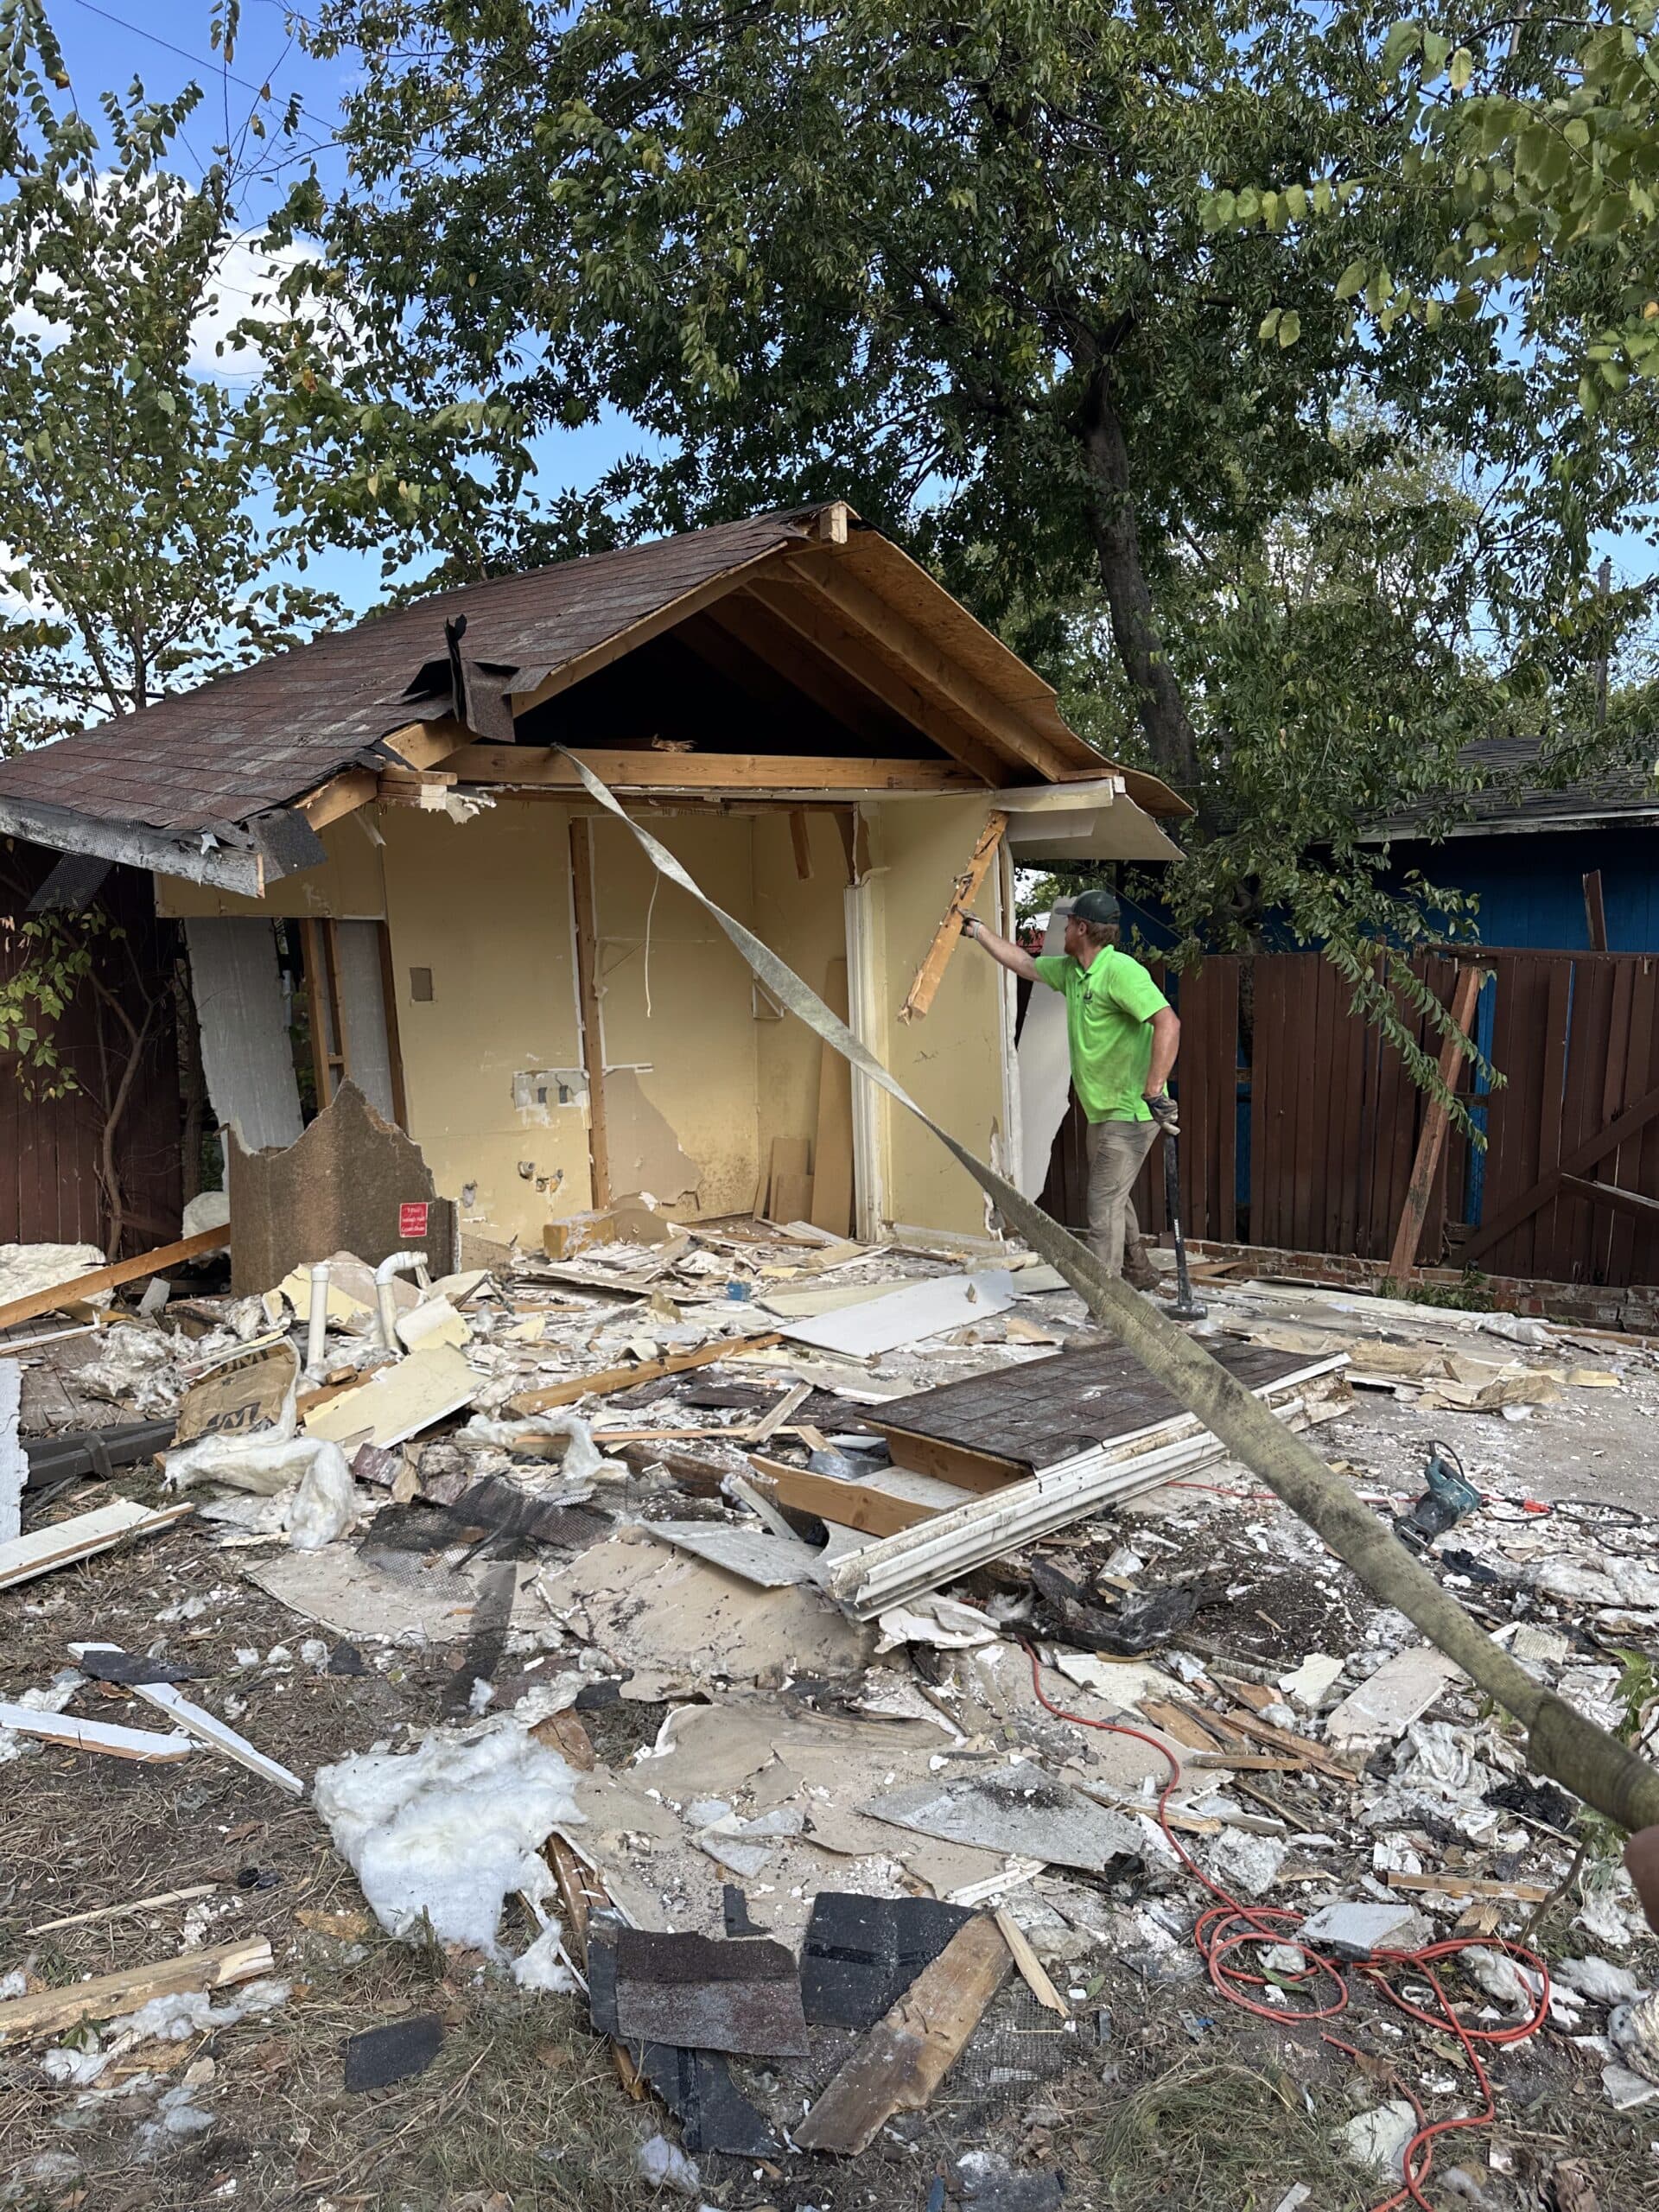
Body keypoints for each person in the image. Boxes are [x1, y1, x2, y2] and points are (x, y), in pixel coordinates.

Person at [959, 887, 1179, 1287]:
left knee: (1103, 1206)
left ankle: (1106, 1308)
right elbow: (1024, 963)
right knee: (1114, 1195)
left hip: (1130, 1112)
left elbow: (1168, 1023)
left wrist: (1154, 1089)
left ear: (1081, 927)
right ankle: (1140, 1271)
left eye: (1067, 923)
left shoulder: (1121, 972)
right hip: (1102, 1111)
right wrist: (978, 932)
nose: (1061, 930)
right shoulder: (1072, 972)